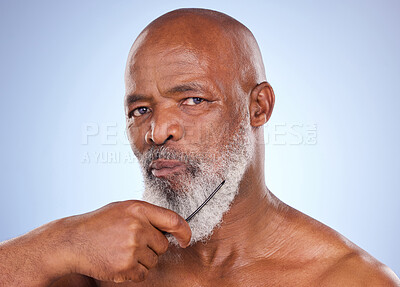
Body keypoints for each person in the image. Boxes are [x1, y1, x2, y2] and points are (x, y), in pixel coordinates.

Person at [1, 8, 399, 287]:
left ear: (257, 107)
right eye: (140, 109)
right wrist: (56, 243)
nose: (156, 132)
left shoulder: (349, 280)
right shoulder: (96, 266)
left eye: (193, 100)